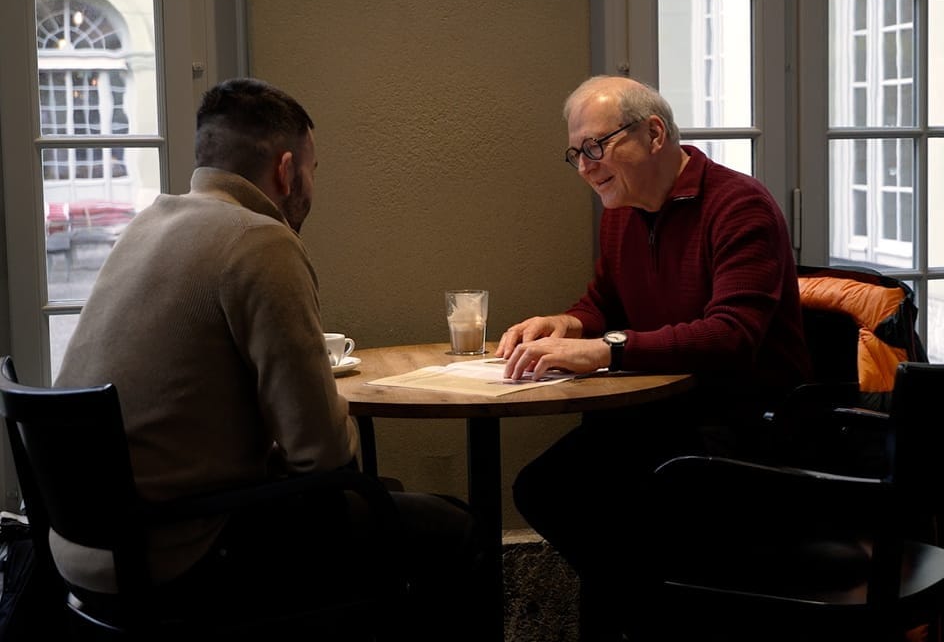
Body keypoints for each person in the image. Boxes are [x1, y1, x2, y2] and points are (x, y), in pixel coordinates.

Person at [55, 77, 484, 639]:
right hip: (180, 551)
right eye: (313, 170)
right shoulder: (259, 241)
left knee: (391, 502)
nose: (310, 184)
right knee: (455, 526)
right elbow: (324, 455)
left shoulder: (145, 227)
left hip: (82, 552)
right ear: (286, 171)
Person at [495, 74, 812, 640]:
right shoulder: (621, 211)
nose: (586, 167)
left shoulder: (740, 206)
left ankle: (658, 619)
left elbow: (731, 335)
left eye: (597, 147)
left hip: (745, 425)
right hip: (665, 415)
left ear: (655, 133)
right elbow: (604, 303)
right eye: (576, 154)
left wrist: (607, 349)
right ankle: (654, 616)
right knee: (544, 488)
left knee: (604, 500)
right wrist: (564, 323)